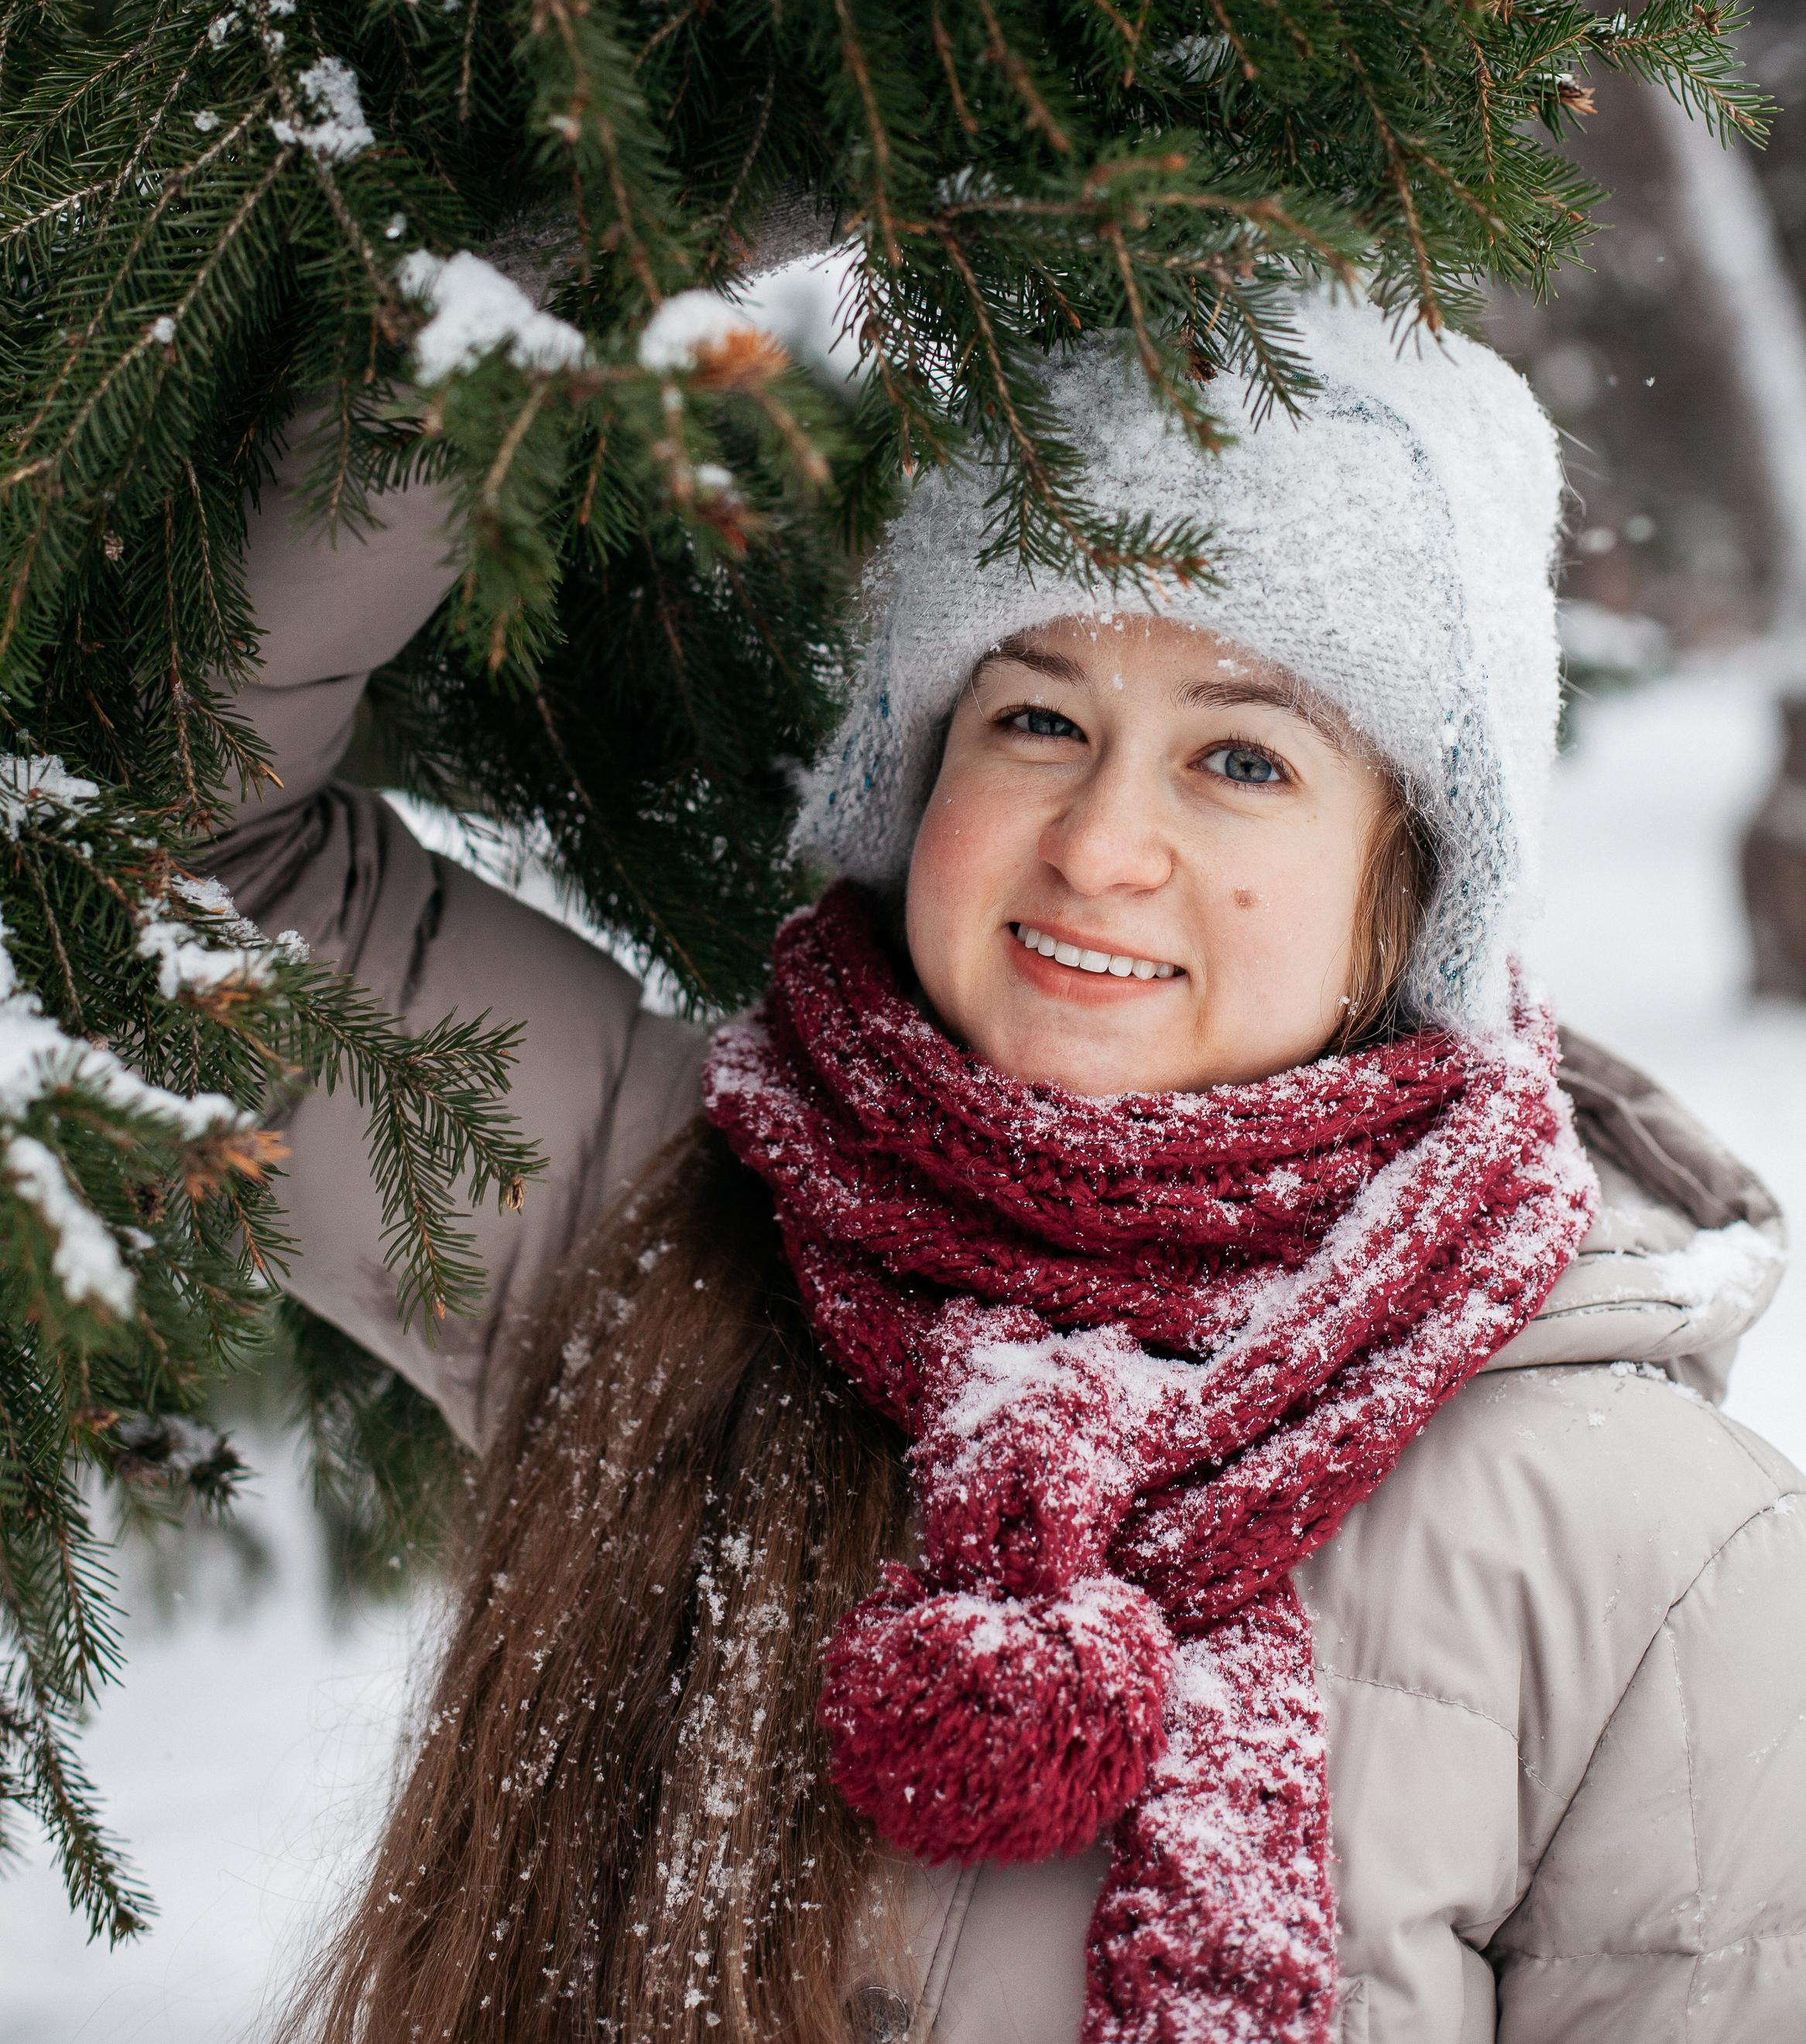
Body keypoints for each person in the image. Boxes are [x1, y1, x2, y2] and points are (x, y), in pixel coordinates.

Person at [213, 296, 1806, 2044]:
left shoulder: (1665, 1560)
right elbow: (151, 852)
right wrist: (576, 239)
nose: (1104, 845)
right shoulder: (643, 1210)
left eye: (1243, 756)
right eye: (1038, 718)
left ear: (1410, 893)